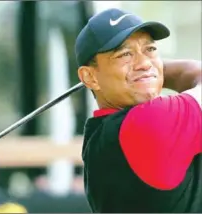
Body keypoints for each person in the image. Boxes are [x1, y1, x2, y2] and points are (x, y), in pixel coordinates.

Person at [75, 8, 201, 212]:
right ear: (89, 77)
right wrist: (152, 71)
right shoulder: (147, 122)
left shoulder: (99, 137)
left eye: (150, 50)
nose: (143, 62)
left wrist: (147, 71)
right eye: (124, 54)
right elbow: (195, 72)